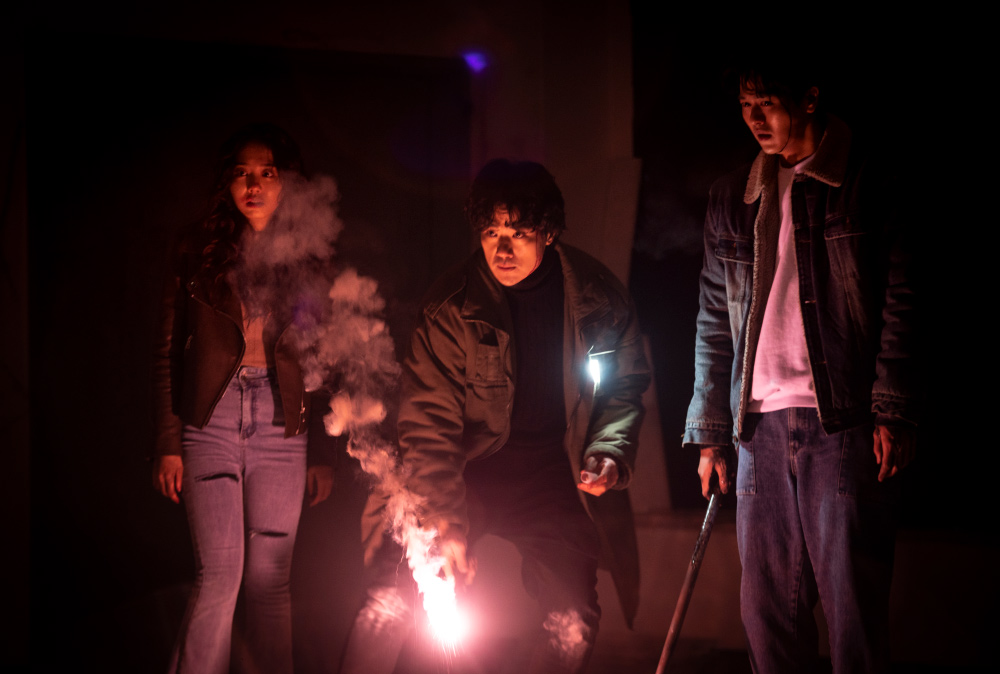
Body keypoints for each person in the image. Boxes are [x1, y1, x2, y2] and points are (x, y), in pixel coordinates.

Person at [341, 159, 650, 674]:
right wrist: (444, 521)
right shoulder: (451, 307)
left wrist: (609, 451)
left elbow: (624, 387)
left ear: (548, 231)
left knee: (573, 618)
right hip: (465, 474)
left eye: (518, 233)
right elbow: (429, 426)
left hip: (554, 480)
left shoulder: (598, 298)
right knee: (390, 598)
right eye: (491, 233)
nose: (502, 250)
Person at [684, 61, 918, 673]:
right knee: (767, 620)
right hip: (757, 427)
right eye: (745, 105)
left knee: (852, 615)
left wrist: (891, 406)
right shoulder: (733, 196)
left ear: (809, 98)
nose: (755, 118)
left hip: (840, 422)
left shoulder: (867, 179)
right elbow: (714, 316)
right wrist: (710, 433)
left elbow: (904, 295)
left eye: (767, 102)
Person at [152, 123, 337, 674]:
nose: (253, 185)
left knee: (270, 582)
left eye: (267, 173)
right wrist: (167, 442)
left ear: (288, 182)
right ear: (227, 182)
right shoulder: (196, 248)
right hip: (211, 418)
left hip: (282, 424)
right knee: (219, 575)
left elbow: (326, 355)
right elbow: (168, 351)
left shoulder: (310, 254)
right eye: (241, 173)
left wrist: (324, 452)